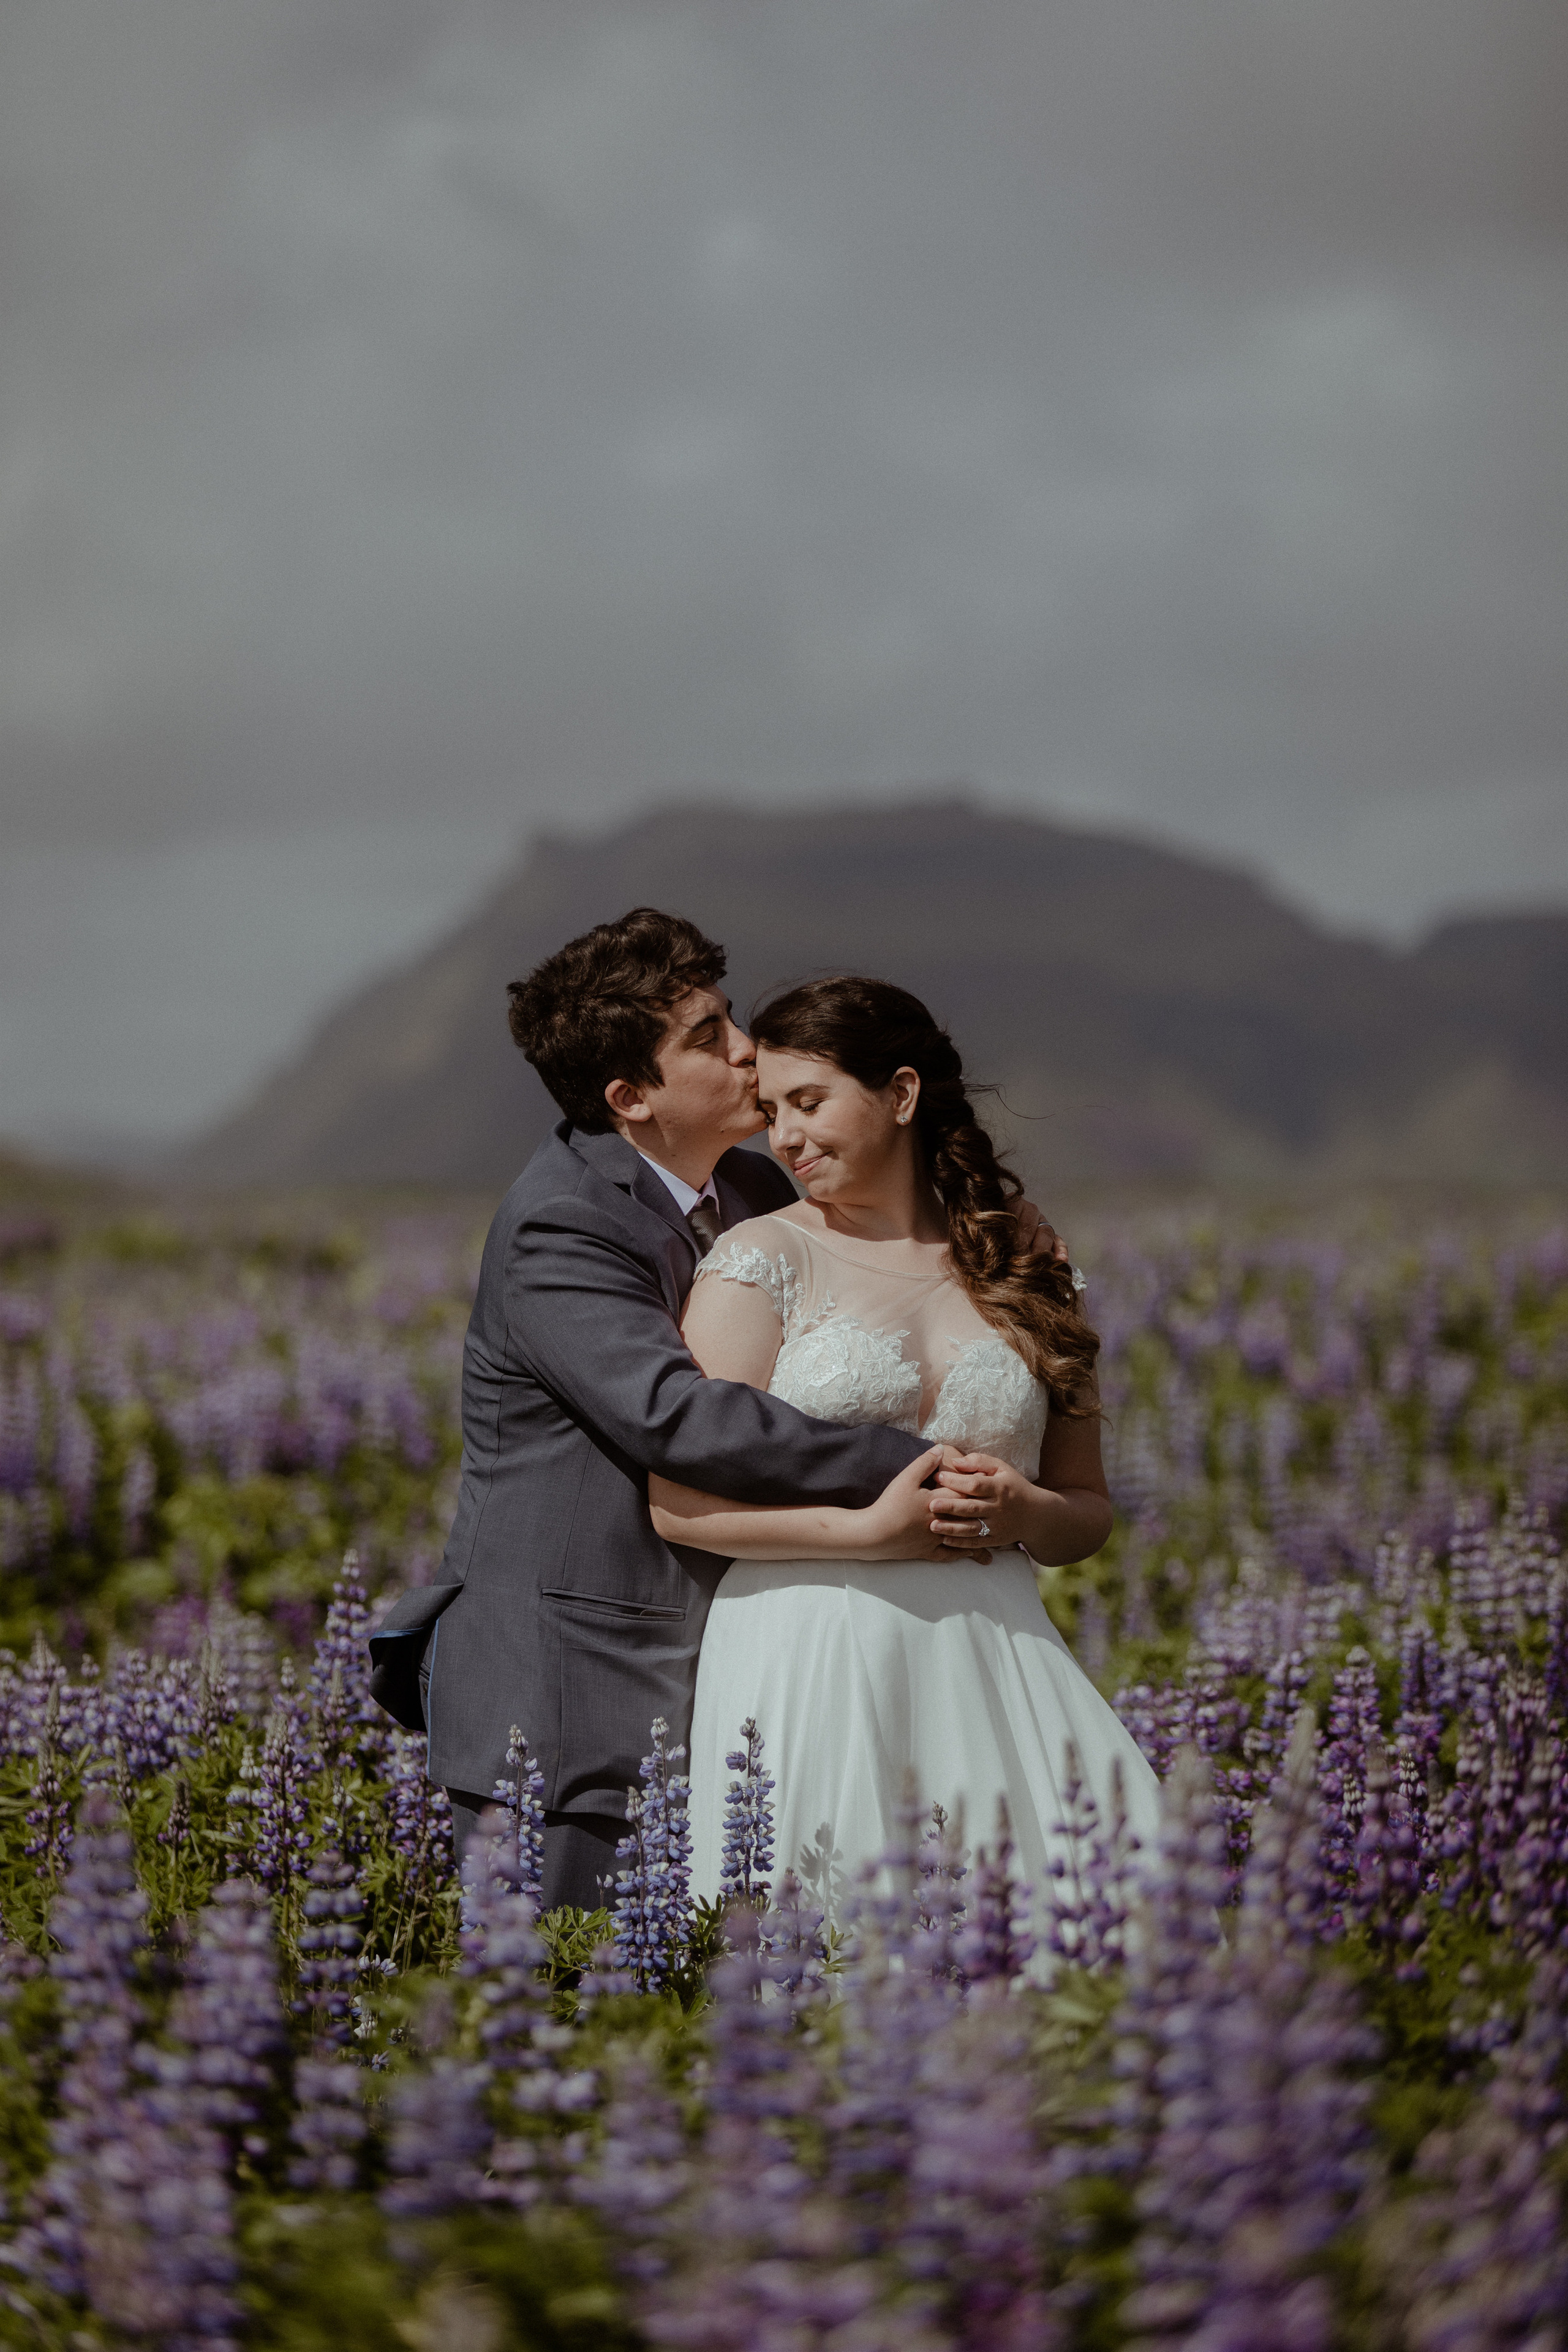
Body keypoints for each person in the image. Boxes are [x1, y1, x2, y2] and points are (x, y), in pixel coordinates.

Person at [368, 908, 1066, 1910]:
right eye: (707, 1039)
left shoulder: (743, 1179)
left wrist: (994, 1236)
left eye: (729, 1018)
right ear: (631, 1098)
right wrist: (912, 1460)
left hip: (743, 1663)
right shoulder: (560, 1223)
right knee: (559, 2011)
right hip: (570, 1688)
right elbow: (679, 1419)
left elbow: (876, 1234)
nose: (748, 1051)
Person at [652, 973, 1162, 1909]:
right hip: (811, 1643)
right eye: (771, 1111)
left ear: (901, 1093)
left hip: (997, 1649)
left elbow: (1086, 1513)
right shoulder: (761, 1259)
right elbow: (680, 1506)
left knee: (1085, 1925)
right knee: (830, 1950)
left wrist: (1025, 1509)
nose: (787, 1137)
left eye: (810, 1102)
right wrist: (867, 1535)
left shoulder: (1026, 1263)